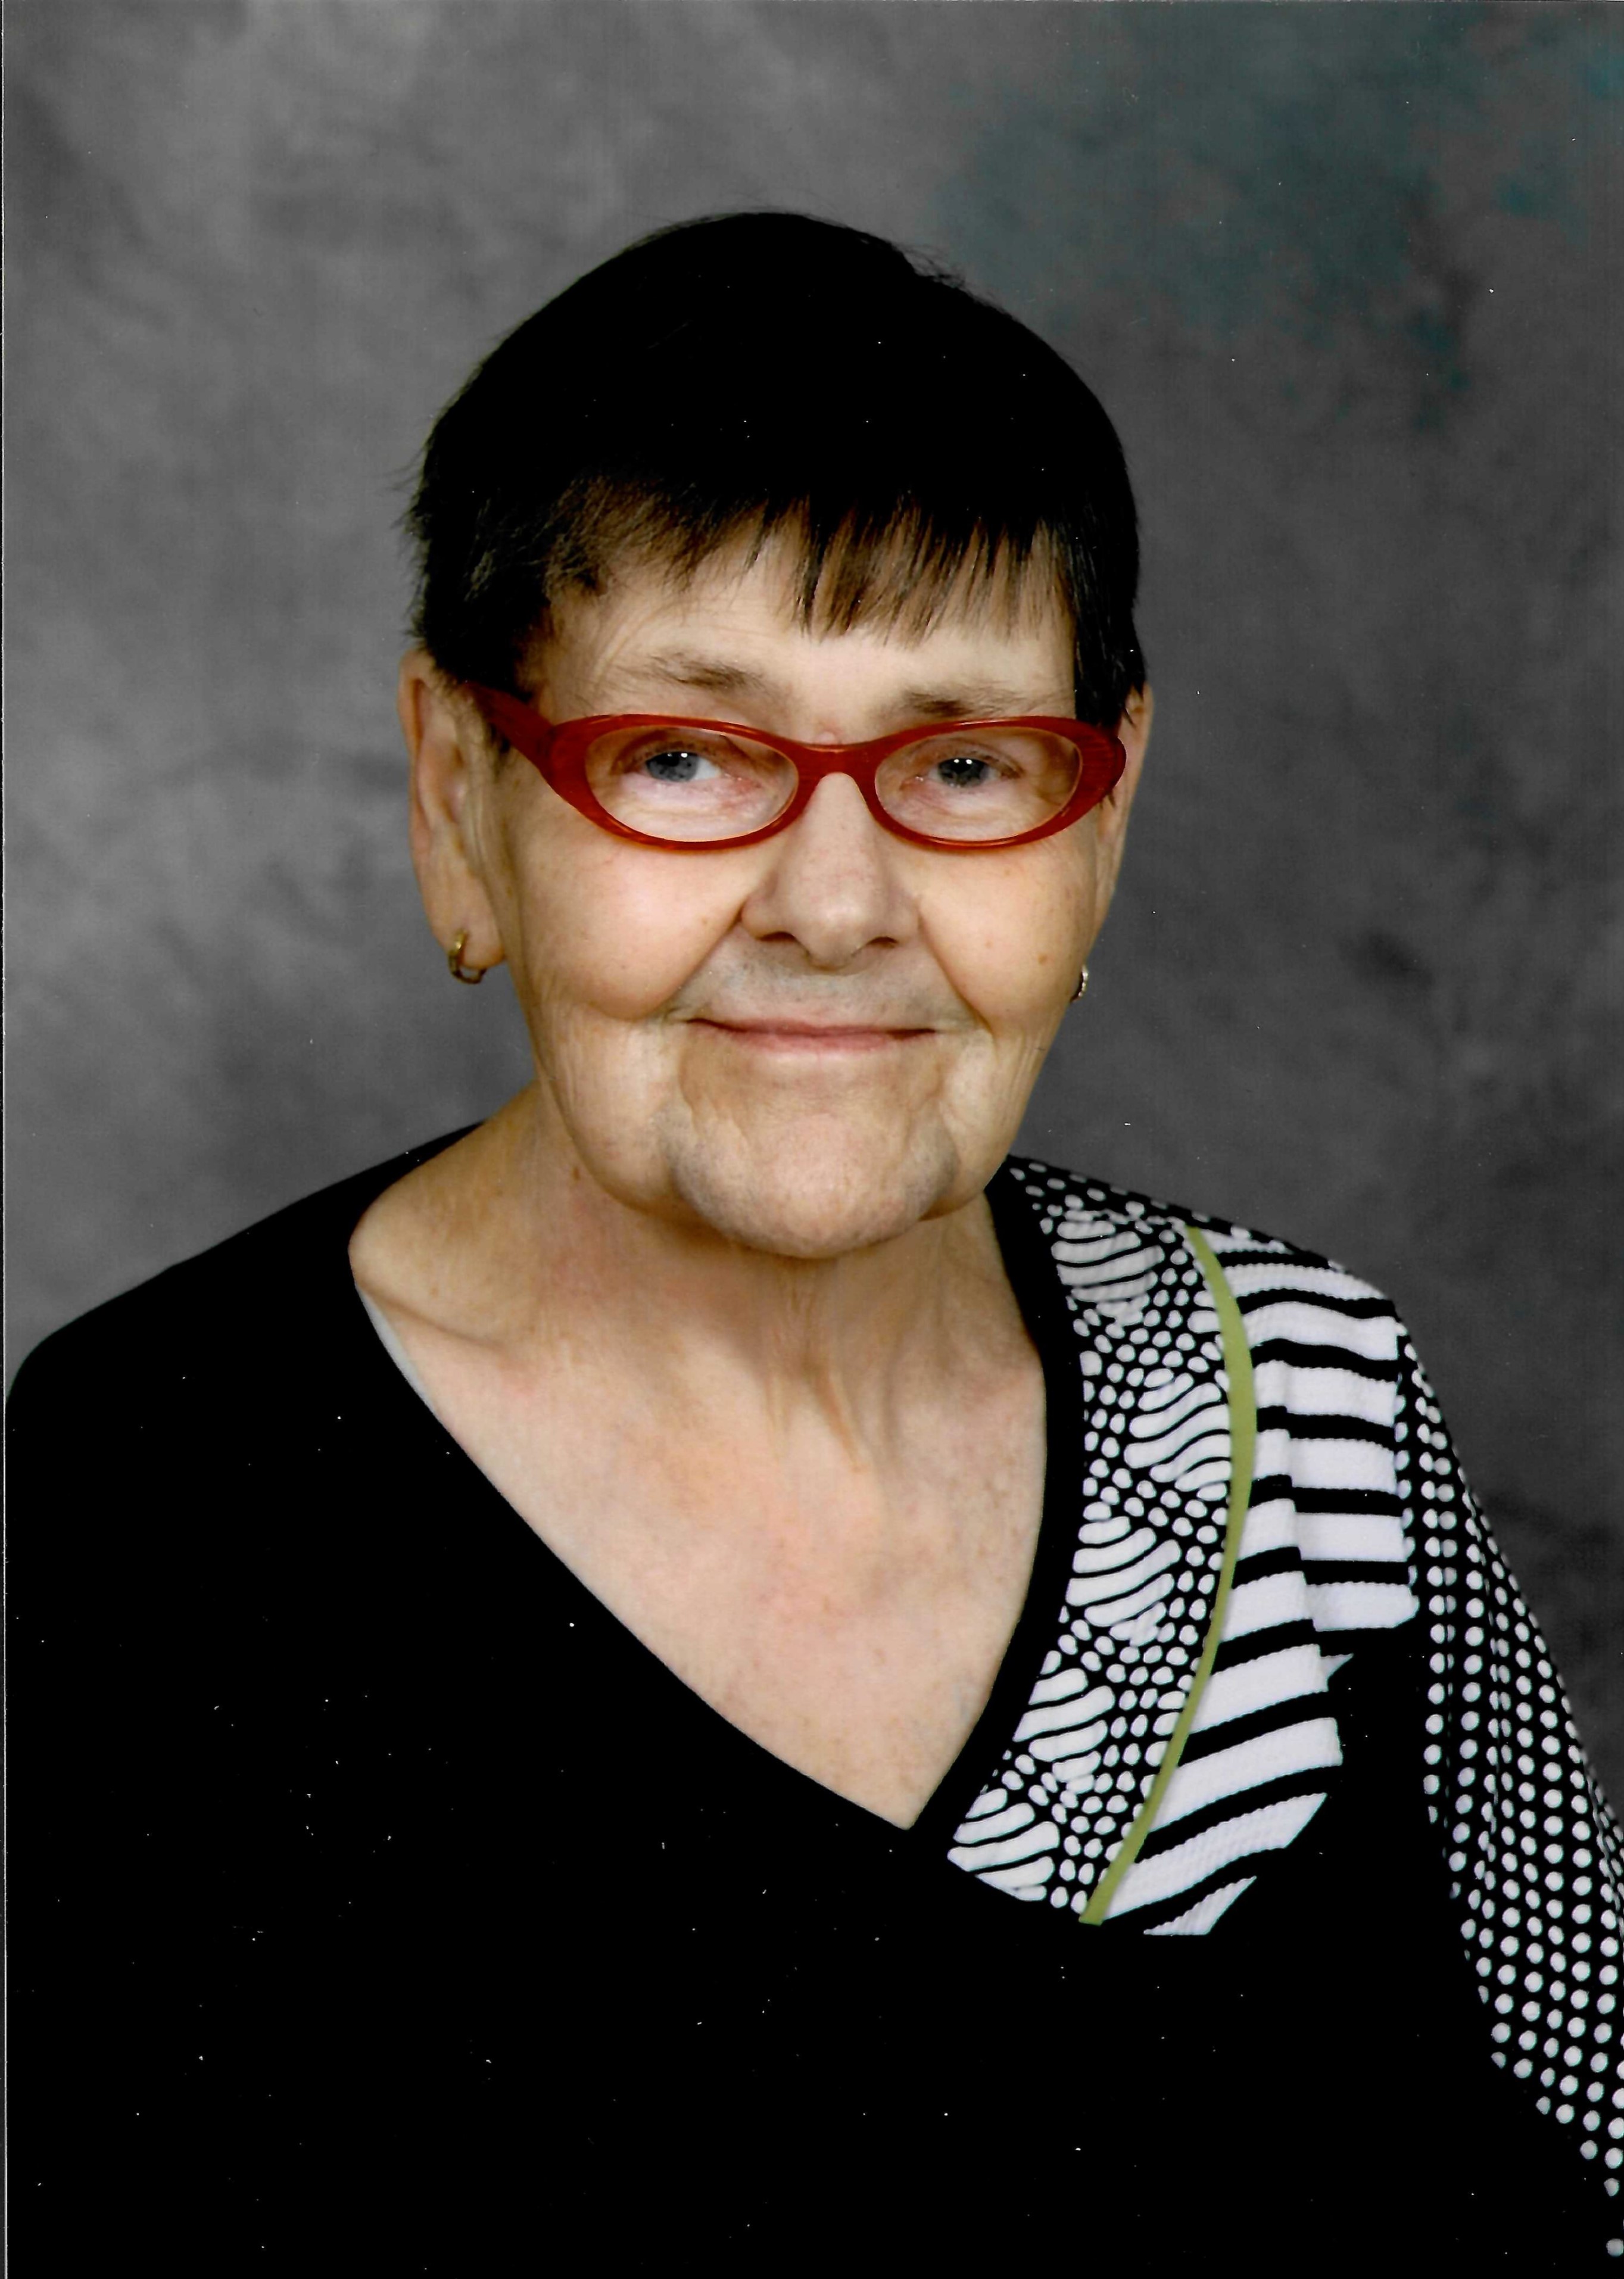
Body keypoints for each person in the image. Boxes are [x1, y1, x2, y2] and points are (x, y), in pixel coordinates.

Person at [10, 213, 1620, 2269]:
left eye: (967, 763)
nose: (837, 906)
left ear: (1105, 817)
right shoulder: (151, 1486)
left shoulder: (1311, 1402)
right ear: (459, 794)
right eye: (683, 757)